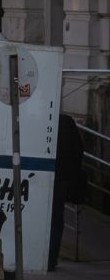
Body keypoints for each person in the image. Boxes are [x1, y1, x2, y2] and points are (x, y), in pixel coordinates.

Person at [49, 114, 88, 271]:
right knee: (56, 218)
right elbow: (78, 150)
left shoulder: (37, 118)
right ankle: (51, 258)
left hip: (40, 177)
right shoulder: (66, 121)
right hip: (61, 178)